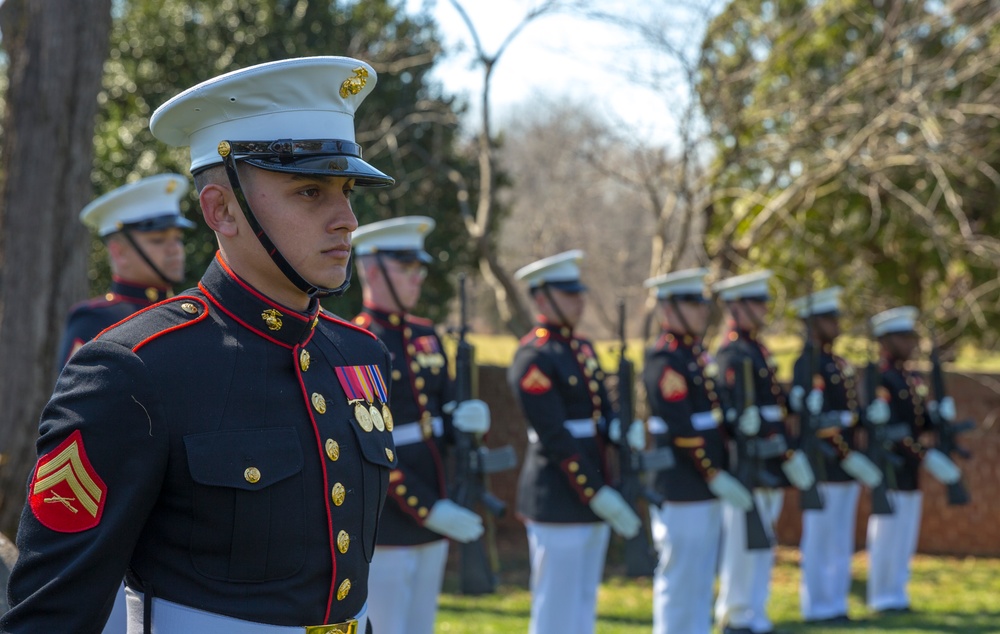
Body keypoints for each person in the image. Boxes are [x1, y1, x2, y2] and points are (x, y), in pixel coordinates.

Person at [1, 56, 399, 633]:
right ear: (220, 210)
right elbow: (51, 615)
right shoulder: (135, 370)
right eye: (311, 191)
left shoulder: (361, 355)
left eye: (346, 189)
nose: (346, 218)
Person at [350, 215, 491, 634]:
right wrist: (426, 506)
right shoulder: (357, 342)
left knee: (421, 625)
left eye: (419, 268)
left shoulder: (426, 335)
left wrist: (467, 420)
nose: (418, 277)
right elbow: (368, 444)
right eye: (407, 268)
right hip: (390, 515)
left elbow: (443, 414)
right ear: (372, 270)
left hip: (439, 497)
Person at [507, 250, 642, 634]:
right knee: (556, 604)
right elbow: (554, 436)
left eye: (578, 292)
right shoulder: (533, 356)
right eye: (568, 294)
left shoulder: (581, 348)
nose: (579, 300)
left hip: (594, 486)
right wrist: (595, 490)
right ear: (541, 299)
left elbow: (601, 407)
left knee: (583, 600)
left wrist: (619, 428)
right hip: (559, 492)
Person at [642, 268, 754, 634]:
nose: (702, 310)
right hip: (681, 483)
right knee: (681, 575)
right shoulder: (665, 360)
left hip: (704, 485)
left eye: (702, 302)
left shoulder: (693, 356)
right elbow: (682, 429)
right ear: (667, 309)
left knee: (702, 575)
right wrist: (712, 472)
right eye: (692, 303)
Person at [711, 269, 815, 634]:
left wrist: (794, 401)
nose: (764, 309)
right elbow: (726, 408)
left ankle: (755, 611)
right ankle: (736, 614)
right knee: (743, 542)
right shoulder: (730, 352)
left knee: (762, 540)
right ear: (736, 307)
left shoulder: (757, 349)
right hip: (748, 458)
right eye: (756, 302)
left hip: (771, 453)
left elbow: (773, 403)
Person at [787, 286, 883, 623]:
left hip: (844, 464)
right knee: (820, 538)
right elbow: (813, 421)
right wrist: (845, 453)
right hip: (824, 462)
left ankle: (836, 602)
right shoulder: (805, 362)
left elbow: (848, 414)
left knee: (841, 537)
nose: (837, 323)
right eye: (830, 318)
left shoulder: (837, 363)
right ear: (813, 323)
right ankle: (817, 605)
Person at [865, 306, 961, 614]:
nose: (911, 343)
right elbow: (892, 430)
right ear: (887, 340)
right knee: (887, 533)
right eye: (904, 337)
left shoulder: (911, 378)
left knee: (905, 534)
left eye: (911, 336)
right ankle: (881, 594)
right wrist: (925, 455)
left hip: (910, 469)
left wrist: (938, 417)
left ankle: (897, 592)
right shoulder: (882, 378)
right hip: (892, 466)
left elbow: (918, 423)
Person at [56, 174, 194, 366]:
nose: (175, 250)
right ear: (119, 252)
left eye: (177, 239)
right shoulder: (95, 320)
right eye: (158, 240)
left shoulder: (188, 312)